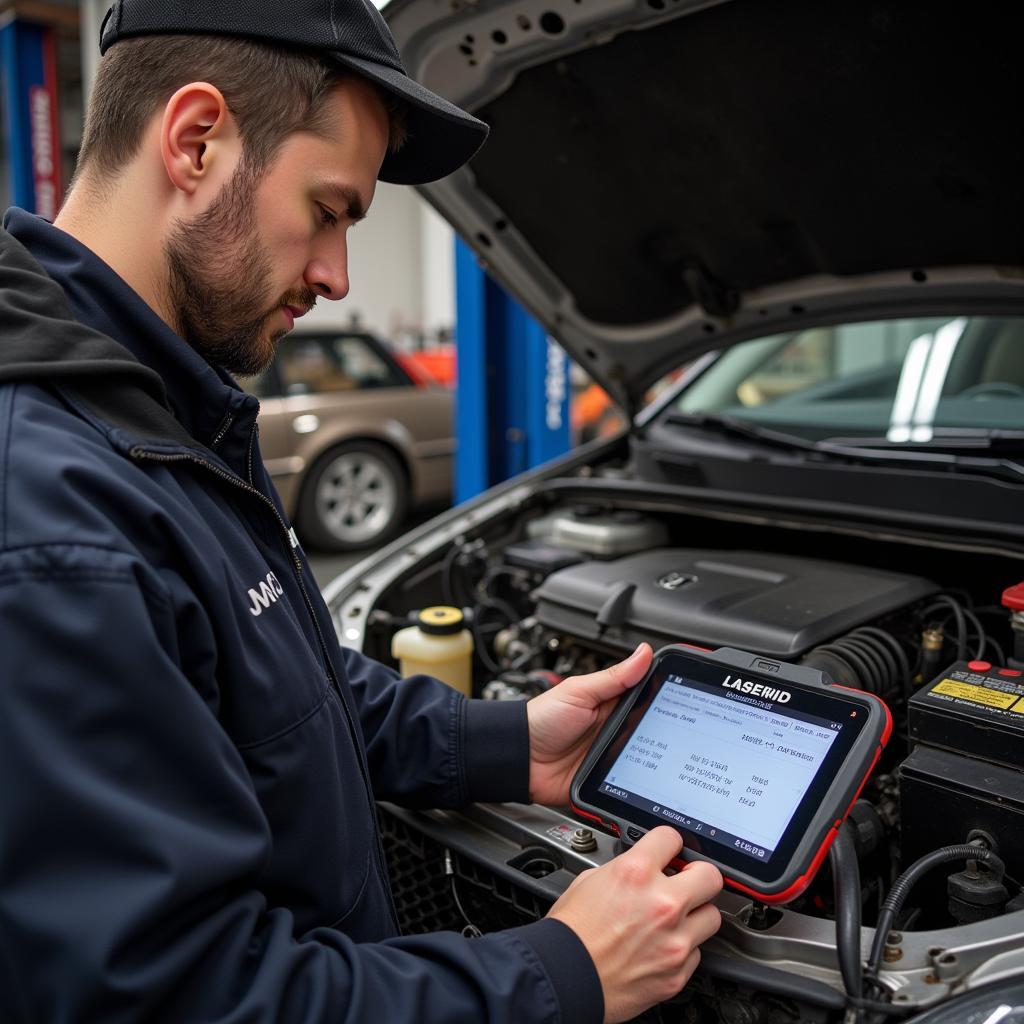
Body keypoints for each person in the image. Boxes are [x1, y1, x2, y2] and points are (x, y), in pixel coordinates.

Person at [0, 1, 723, 1020]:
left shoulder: (154, 404)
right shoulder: (53, 522)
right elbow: (178, 996)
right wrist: (562, 970)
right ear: (195, 140)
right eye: (330, 209)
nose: (338, 277)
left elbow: (270, 687)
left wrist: (510, 741)